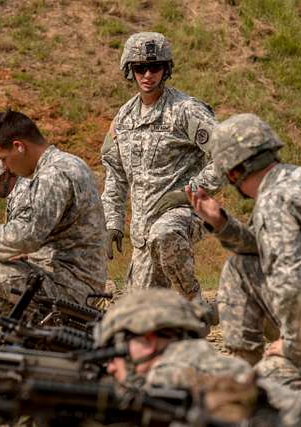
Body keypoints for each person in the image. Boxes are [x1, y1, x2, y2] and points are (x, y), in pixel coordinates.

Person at [186, 113, 301, 374]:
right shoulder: (298, 179)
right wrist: (221, 224)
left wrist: (293, 347)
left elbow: (289, 281)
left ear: (234, 172)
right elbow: (262, 251)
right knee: (241, 266)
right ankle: (248, 364)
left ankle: (245, 374)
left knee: (255, 398)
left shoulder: (274, 200)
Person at [0, 109, 107, 313]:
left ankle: (35, 332)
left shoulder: (53, 174)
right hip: (73, 278)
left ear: (19, 147)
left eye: (3, 158)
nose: (6, 167)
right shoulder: (67, 164)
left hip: (67, 285)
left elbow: (27, 234)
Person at [101, 32, 221, 300]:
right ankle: (200, 317)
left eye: (155, 67)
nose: (147, 75)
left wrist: (190, 192)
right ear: (129, 71)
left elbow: (227, 154)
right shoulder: (123, 118)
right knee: (141, 315)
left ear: (166, 70)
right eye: (140, 68)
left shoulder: (185, 110)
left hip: (183, 214)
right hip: (143, 233)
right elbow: (115, 175)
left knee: (164, 233)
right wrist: (113, 222)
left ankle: (195, 301)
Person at [95, 288, 252, 391]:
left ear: (149, 339)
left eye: (115, 349)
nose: (110, 368)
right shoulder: (234, 374)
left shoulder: (172, 381)